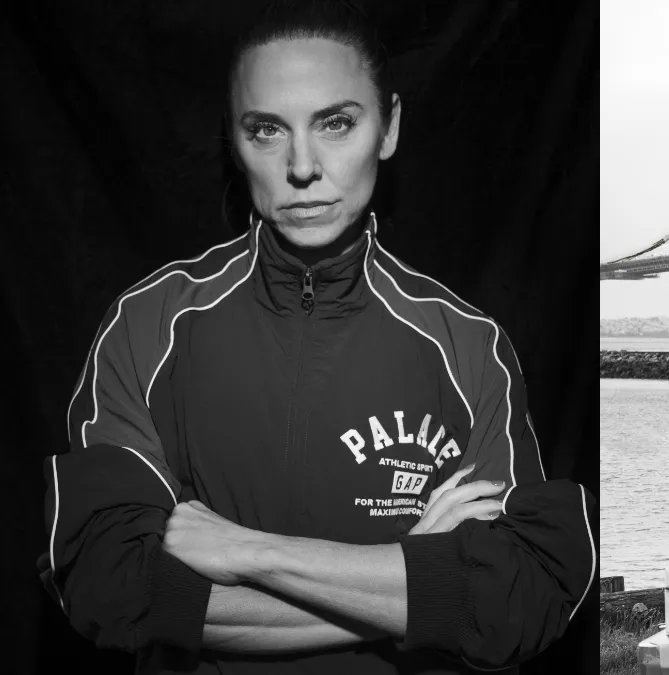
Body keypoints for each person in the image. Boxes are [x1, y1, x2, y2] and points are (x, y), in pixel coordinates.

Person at [36, 4, 596, 674]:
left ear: (388, 127)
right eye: (267, 130)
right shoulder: (150, 323)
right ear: (232, 140)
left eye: (336, 123)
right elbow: (110, 584)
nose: (304, 167)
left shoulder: (468, 344)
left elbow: (517, 599)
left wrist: (248, 550)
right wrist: (410, 575)